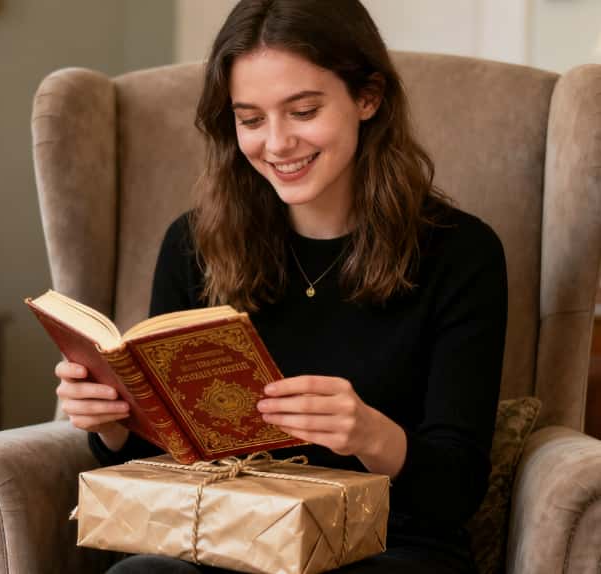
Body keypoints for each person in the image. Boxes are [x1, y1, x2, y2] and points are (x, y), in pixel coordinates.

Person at [55, 0, 508, 572]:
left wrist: (371, 435)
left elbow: (455, 491)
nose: (276, 143)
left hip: (388, 545)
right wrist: (115, 424)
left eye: (303, 110)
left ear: (368, 98)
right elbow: (165, 463)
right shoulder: (194, 244)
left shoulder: (461, 253)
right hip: (224, 539)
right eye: (250, 119)